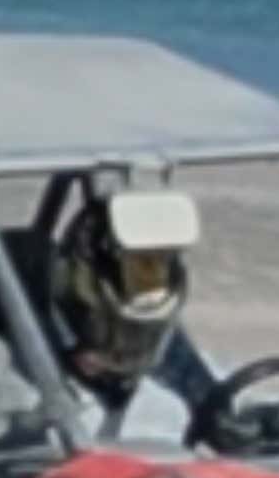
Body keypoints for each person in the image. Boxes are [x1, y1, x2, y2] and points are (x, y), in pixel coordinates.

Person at [47, 187, 201, 446]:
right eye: (138, 265)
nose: (151, 276)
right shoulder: (27, 388)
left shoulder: (168, 352)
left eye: (160, 262)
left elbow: (218, 405)